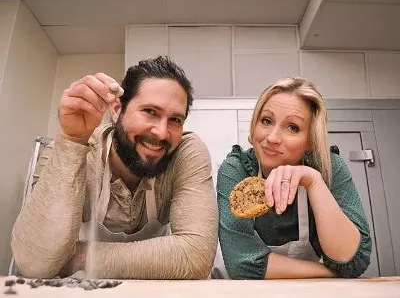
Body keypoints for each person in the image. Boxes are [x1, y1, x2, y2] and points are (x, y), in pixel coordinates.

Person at [11, 56, 218, 279]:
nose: (160, 132)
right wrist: (72, 140)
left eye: (175, 120)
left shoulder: (187, 153)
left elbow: (195, 256)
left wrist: (79, 257)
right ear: (118, 109)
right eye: (150, 111)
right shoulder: (65, 151)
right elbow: (34, 265)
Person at [214, 77, 371, 279]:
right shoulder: (237, 169)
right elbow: (242, 264)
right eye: (266, 121)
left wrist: (313, 181)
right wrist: (330, 272)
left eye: (293, 127)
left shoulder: (329, 168)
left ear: (311, 141)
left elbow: (353, 260)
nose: (272, 138)